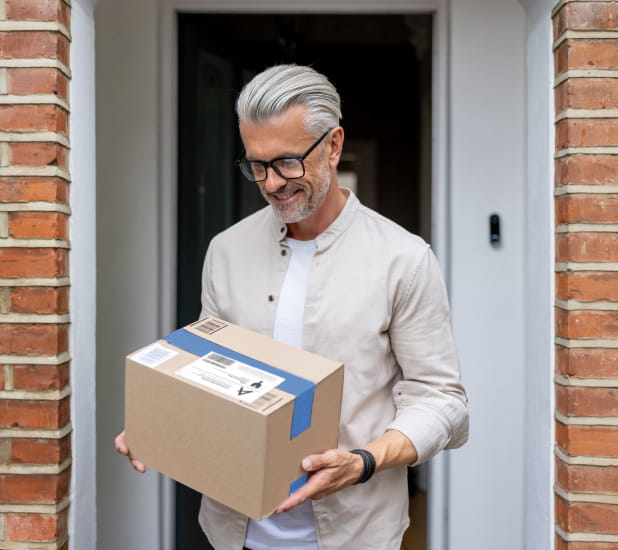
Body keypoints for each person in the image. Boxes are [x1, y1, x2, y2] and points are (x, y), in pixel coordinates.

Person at [116, 64, 468, 550]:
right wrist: (162, 421)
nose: (271, 183)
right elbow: (206, 373)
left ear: (333, 145)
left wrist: (362, 461)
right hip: (233, 530)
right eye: (256, 165)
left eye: (286, 162)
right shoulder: (226, 250)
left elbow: (441, 400)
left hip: (355, 533)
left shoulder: (404, 259)